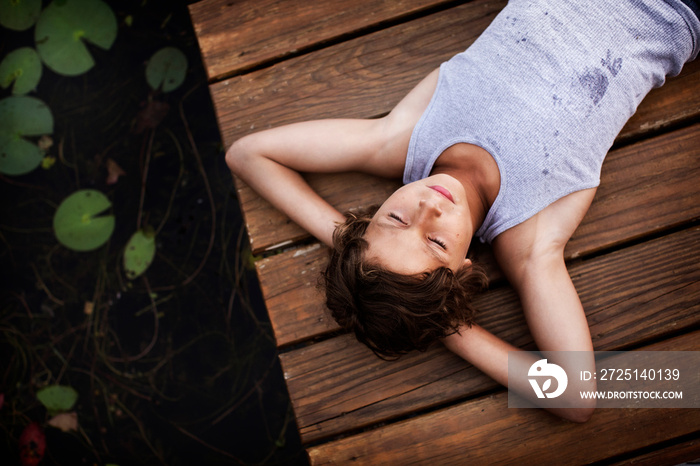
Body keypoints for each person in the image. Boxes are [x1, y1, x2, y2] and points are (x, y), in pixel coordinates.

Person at [226, 0, 699, 422]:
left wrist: (348, 241)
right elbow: (576, 397)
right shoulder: (529, 238)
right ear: (461, 270)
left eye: (394, 219)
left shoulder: (403, 137)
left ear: (369, 218)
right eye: (434, 242)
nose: (428, 205)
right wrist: (445, 322)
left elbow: (247, 154)